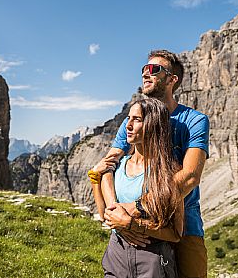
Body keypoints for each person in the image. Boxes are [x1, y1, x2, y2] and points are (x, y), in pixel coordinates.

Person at [90, 49, 209, 278]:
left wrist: (134, 209)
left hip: (184, 225)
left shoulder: (194, 121)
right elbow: (108, 166)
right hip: (134, 223)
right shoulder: (133, 121)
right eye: (144, 69)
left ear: (172, 79)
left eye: (155, 69)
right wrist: (118, 218)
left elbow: (191, 176)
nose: (146, 73)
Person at [90, 98, 184, 277]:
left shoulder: (168, 173)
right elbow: (104, 215)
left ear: (153, 125)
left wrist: (135, 225)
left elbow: (175, 233)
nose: (128, 125)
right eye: (128, 118)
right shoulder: (116, 167)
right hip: (117, 254)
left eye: (137, 119)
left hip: (152, 260)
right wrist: (95, 177)